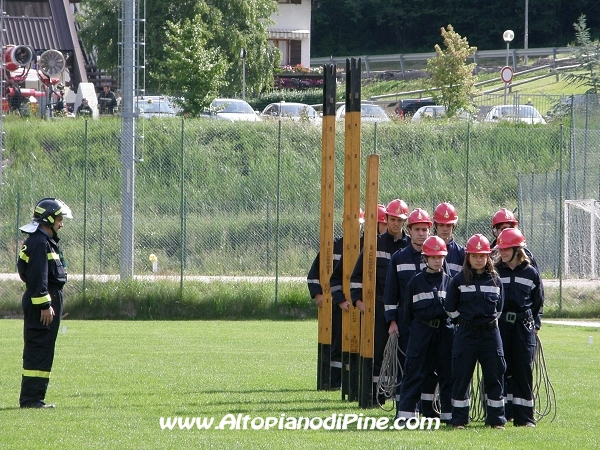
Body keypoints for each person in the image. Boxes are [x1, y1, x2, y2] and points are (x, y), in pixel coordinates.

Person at [350, 198, 410, 405]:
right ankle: (377, 397)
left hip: (404, 309)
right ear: (387, 219)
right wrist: (358, 301)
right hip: (377, 306)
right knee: (378, 353)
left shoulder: (410, 247)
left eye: (399, 220)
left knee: (402, 352)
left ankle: (399, 395)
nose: (395, 224)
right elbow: (356, 277)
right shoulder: (374, 245)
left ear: (404, 222)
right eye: (392, 219)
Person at [445, 234, 506, 429]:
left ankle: (496, 419)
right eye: (474, 256)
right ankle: (459, 420)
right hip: (466, 334)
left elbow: (499, 308)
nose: (478, 259)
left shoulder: (496, 281)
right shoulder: (458, 280)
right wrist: (462, 322)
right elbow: (450, 307)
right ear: (468, 257)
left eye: (482, 256)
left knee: (494, 375)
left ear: (488, 257)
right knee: (461, 376)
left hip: (490, 334)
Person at [17, 198, 73, 408]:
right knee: (38, 348)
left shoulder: (42, 240)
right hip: (43, 300)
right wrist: (44, 305)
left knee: (43, 349)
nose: (61, 223)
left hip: (47, 298)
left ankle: (35, 398)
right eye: (59, 218)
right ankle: (32, 399)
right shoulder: (40, 243)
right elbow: (37, 277)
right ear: (49, 218)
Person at [395, 236, 453, 423]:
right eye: (433, 257)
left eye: (440, 257)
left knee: (447, 374)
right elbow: (408, 313)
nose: (437, 260)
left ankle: (448, 416)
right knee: (414, 372)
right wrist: (419, 330)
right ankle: (406, 415)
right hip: (421, 332)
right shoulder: (415, 282)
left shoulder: (450, 282)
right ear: (425, 258)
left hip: (444, 332)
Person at [383, 208, 432, 417]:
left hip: (429, 323)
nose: (421, 233)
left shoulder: (437, 255)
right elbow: (390, 293)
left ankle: (428, 411)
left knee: (429, 368)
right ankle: (403, 411)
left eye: (424, 229)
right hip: (405, 323)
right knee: (405, 367)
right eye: (417, 229)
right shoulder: (398, 258)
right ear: (409, 230)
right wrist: (392, 322)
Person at [308, 210, 364, 390]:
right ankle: (334, 382)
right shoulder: (331, 247)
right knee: (337, 343)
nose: (355, 228)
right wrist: (318, 295)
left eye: (358, 225)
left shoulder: (366, 247)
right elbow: (314, 275)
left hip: (357, 305)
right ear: (343, 225)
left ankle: (353, 381)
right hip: (336, 306)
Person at [494, 228, 544, 427]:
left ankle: (525, 417)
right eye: (501, 249)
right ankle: (504, 413)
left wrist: (536, 326)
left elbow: (538, 301)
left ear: (517, 250)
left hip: (523, 326)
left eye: (507, 249)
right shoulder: (496, 271)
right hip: (501, 325)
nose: (503, 253)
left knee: (523, 368)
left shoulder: (531, 272)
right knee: (502, 368)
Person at [433, 202, 465, 277]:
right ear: (435, 225)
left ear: (454, 226)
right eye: (441, 225)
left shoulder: (461, 253)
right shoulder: (426, 250)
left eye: (448, 225)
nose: (445, 229)